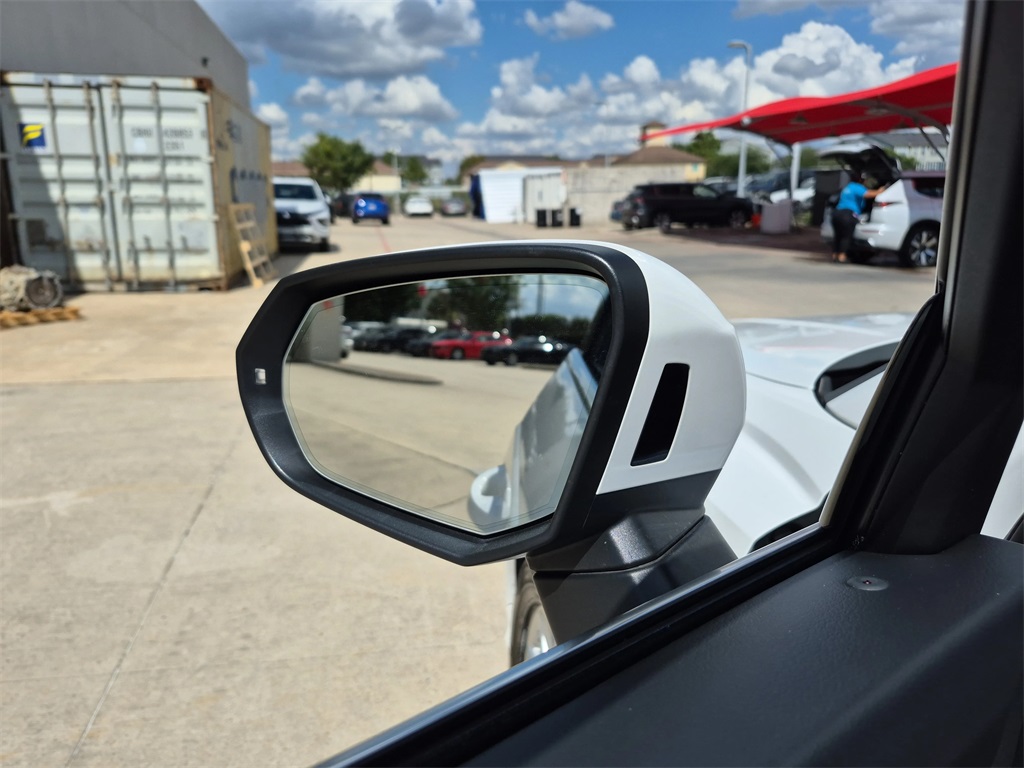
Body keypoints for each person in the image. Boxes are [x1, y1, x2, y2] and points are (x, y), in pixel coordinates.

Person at [831, 172, 887, 263]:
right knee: (846, 236)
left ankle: (835, 256)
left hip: (837, 213)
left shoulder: (848, 187)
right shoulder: (857, 187)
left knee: (838, 236)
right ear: (861, 180)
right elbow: (868, 194)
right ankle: (842, 257)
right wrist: (881, 191)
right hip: (847, 214)